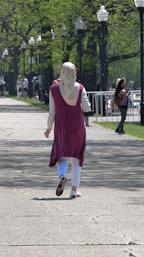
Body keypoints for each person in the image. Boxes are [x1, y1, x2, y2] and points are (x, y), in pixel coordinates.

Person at [44, 62, 91, 198]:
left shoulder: (54, 89)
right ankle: (74, 190)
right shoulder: (81, 88)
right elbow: (87, 108)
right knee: (77, 158)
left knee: (61, 155)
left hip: (61, 126)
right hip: (77, 127)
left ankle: (62, 176)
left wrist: (48, 128)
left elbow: (52, 112)